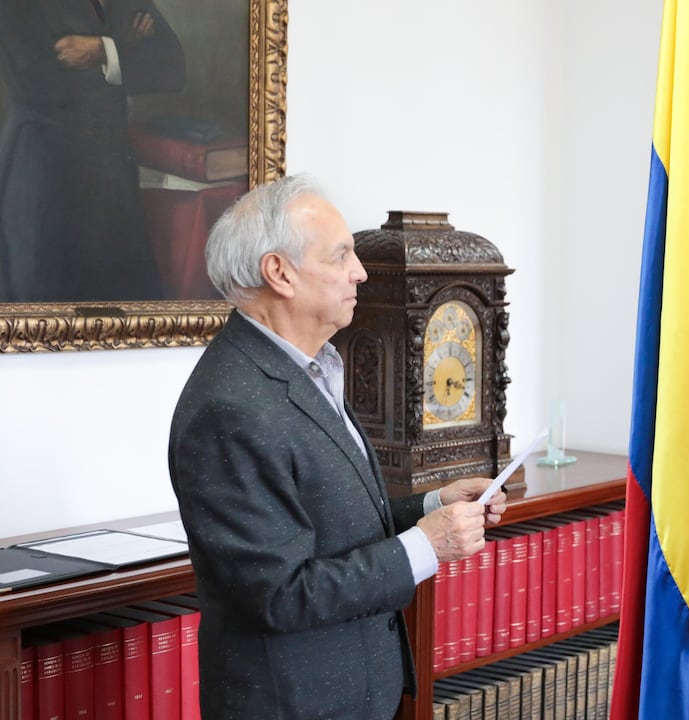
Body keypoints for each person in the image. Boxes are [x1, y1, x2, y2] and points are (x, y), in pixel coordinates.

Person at [168, 175, 507, 719]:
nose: (361, 272)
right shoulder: (229, 405)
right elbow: (278, 593)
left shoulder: (311, 367)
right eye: (342, 255)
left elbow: (331, 520)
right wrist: (425, 546)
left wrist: (430, 508)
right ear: (279, 273)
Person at [0, 0, 183, 302]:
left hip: (113, 179)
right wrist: (126, 46)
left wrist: (104, 49)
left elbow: (173, 69)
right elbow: (36, 83)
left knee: (127, 316)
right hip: (45, 180)